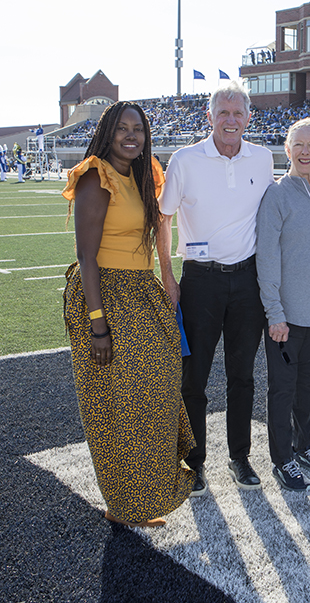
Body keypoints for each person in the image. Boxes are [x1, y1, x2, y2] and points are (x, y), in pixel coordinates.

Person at [62, 101, 195, 528]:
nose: (131, 135)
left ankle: (139, 496)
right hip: (105, 295)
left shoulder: (141, 174)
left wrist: (166, 278)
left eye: (138, 128)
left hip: (140, 291)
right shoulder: (95, 176)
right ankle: (124, 505)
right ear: (107, 132)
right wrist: (98, 325)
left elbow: (158, 230)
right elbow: (85, 256)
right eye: (122, 128)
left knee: (153, 394)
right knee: (118, 405)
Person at [158, 81, 274, 496]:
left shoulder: (262, 159)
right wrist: (168, 276)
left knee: (242, 375)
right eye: (222, 113)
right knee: (194, 377)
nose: (230, 120)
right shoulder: (185, 159)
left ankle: (239, 457)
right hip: (200, 281)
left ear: (248, 118)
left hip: (247, 280)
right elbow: (163, 217)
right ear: (209, 117)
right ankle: (195, 461)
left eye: (237, 113)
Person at [256, 118, 310, 491]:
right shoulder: (277, 195)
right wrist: (275, 314)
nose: (306, 151)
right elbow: (266, 257)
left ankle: (303, 445)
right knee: (283, 387)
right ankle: (282, 459)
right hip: (286, 317)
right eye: (299, 145)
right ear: (287, 150)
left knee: (307, 385)